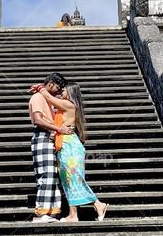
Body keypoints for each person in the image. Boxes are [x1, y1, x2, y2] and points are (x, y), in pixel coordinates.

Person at [46, 84, 108, 223]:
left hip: (69, 145)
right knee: (70, 179)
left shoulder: (68, 104)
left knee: (72, 178)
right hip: (66, 144)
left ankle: (74, 215)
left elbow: (48, 97)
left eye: (64, 90)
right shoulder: (66, 106)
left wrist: (41, 88)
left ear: (71, 93)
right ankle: (97, 205)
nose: (61, 91)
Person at [28, 71, 66, 222]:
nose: (58, 91)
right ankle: (41, 212)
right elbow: (38, 120)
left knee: (53, 175)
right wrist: (58, 129)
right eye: (57, 87)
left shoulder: (46, 98)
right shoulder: (37, 97)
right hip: (42, 137)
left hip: (48, 137)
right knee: (46, 174)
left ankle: (52, 211)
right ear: (50, 83)